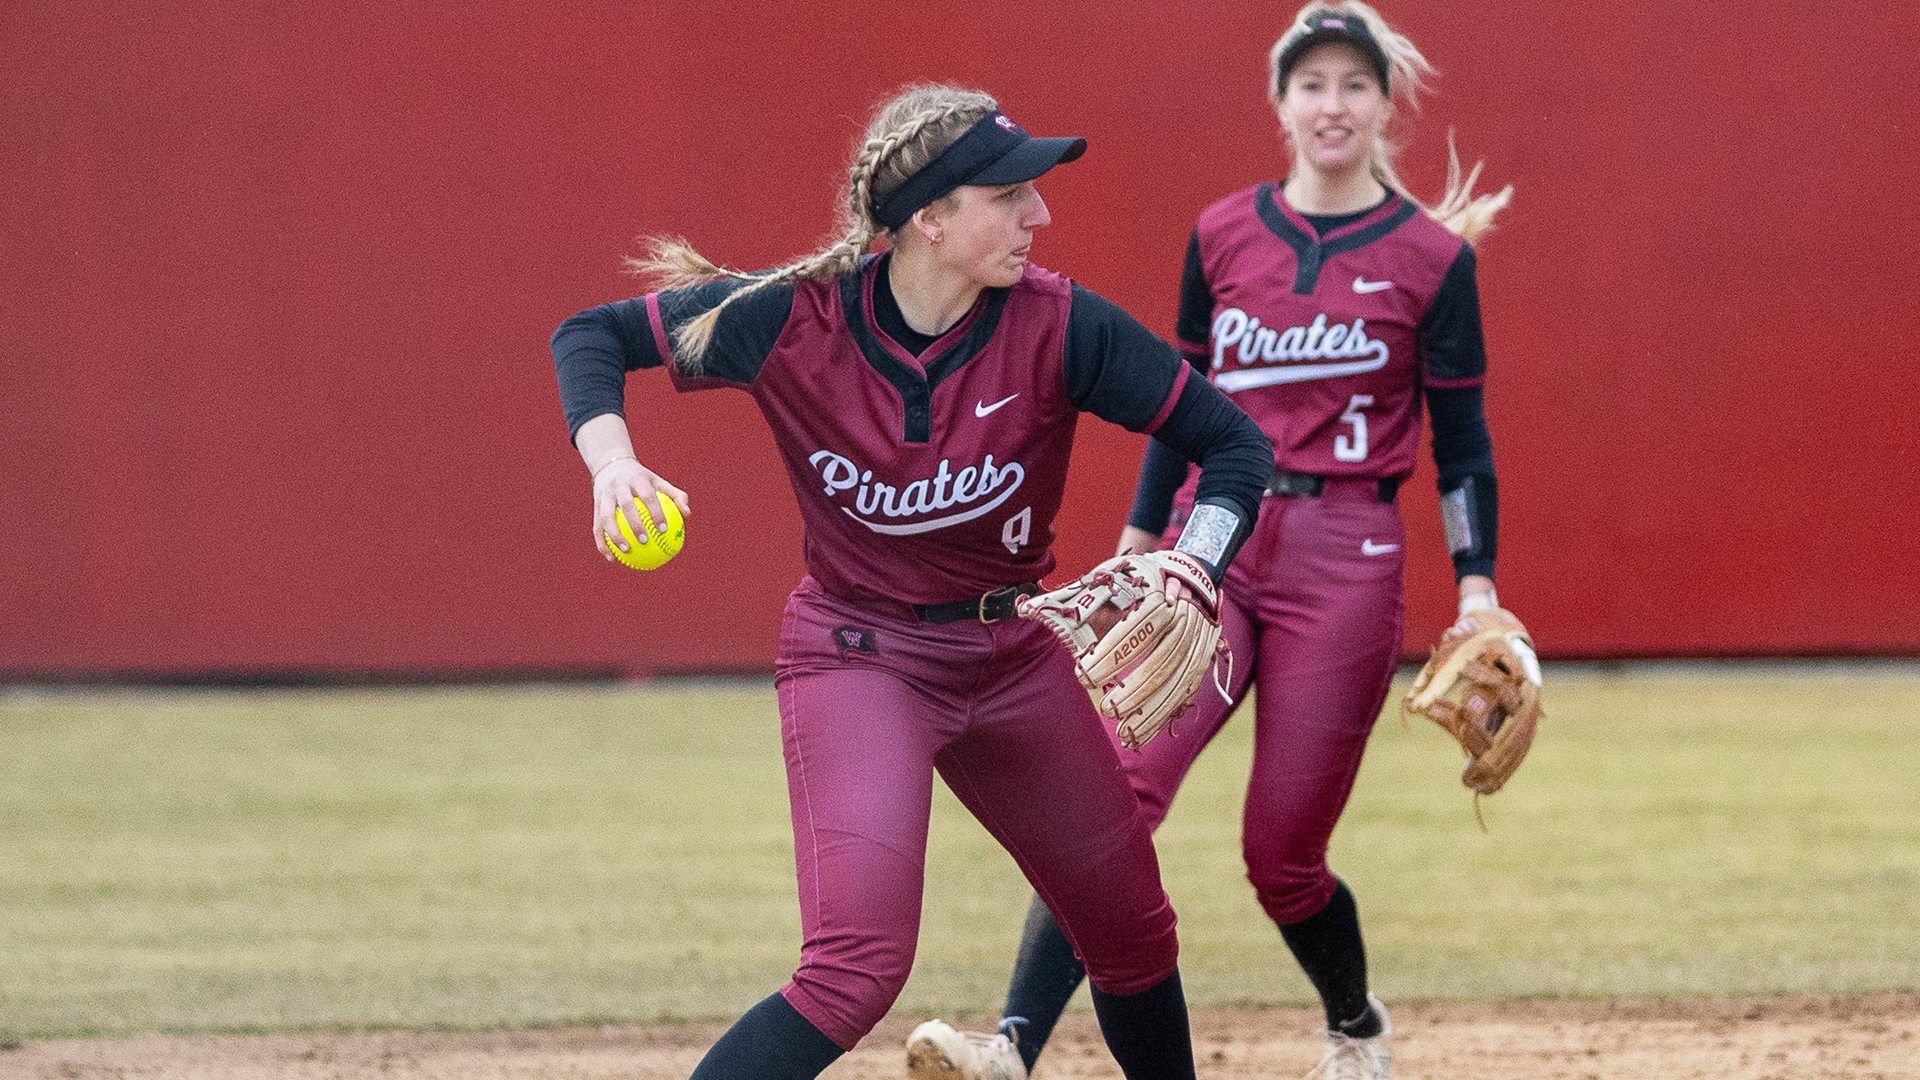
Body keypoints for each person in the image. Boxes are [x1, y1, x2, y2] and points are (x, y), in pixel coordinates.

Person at [549, 83, 1272, 1080]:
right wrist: (612, 463)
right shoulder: (789, 318)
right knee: (853, 970)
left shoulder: (1062, 328)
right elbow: (590, 336)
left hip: (1013, 658)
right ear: (930, 219)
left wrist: (1196, 563)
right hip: (861, 657)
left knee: (1134, 933)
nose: (1040, 213)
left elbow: (1234, 445)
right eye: (1010, 193)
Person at [909, 5, 1517, 1080]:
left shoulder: (1430, 259)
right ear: (1281, 103)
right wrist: (1143, 546)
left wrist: (1477, 591)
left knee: (1282, 858)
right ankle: (1011, 1046)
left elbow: (1462, 447)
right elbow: (1181, 410)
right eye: (1313, 83)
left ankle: (1353, 1023)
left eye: (1353, 83)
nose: (1333, 104)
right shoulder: (1225, 233)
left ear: (1386, 104)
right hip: (1215, 543)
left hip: (1348, 552)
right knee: (1112, 800)